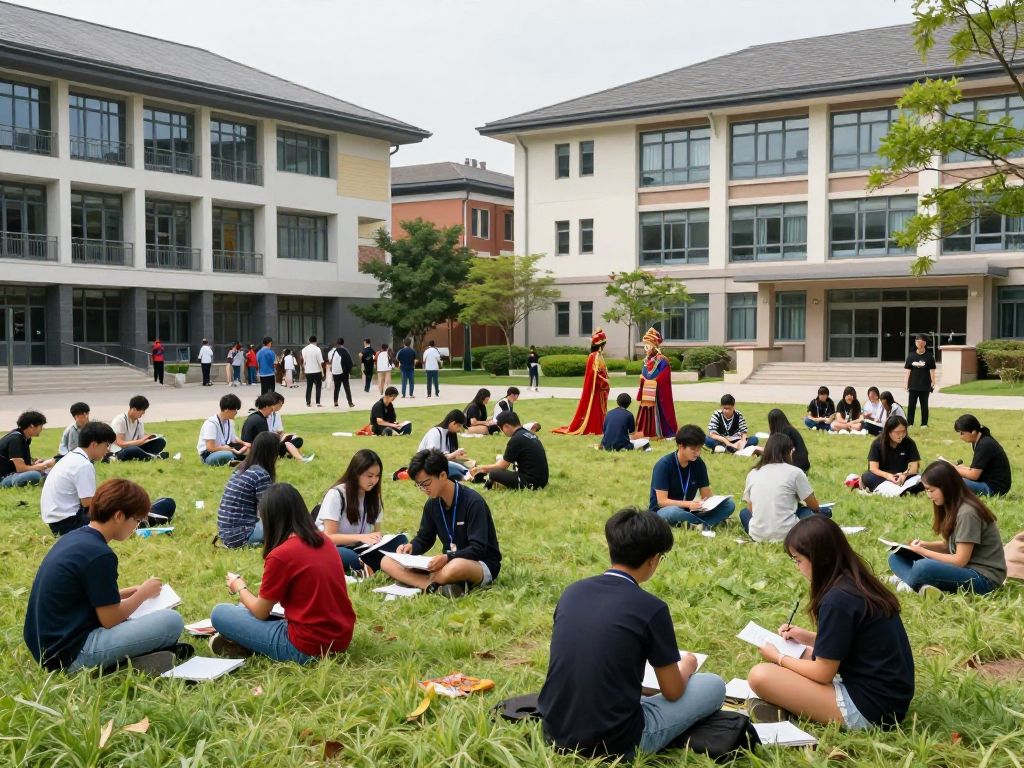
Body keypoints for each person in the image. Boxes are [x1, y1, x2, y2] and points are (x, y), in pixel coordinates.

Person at [539, 507, 726, 760]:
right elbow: (672, 691)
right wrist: (688, 665)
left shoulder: (573, 591)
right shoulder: (651, 608)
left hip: (554, 730)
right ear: (654, 560)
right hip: (616, 742)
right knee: (712, 685)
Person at [747, 516, 914, 729]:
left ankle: (788, 708)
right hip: (888, 700)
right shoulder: (856, 583)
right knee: (802, 651)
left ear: (819, 559)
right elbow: (852, 644)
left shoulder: (838, 599)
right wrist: (806, 637)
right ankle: (787, 707)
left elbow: (823, 673)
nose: (797, 567)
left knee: (760, 675)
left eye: (798, 560)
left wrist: (778, 658)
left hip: (871, 710)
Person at [24, 478, 187, 673]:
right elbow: (110, 619)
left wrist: (130, 592)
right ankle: (120, 666)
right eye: (136, 520)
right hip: (72, 654)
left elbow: (86, 595)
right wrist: (142, 594)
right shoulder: (99, 555)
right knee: (172, 621)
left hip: (47, 648)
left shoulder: (75, 538)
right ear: (119, 516)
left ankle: (139, 658)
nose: (136, 527)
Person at [209, 484, 356, 663]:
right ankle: (243, 644)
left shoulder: (281, 555)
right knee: (243, 609)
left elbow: (261, 612)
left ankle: (243, 644)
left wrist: (240, 587)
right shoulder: (324, 540)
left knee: (220, 613)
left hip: (304, 647)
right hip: (340, 640)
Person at [380, 449, 501, 598]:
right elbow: (425, 538)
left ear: (443, 475)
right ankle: (434, 586)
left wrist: (448, 558)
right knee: (387, 561)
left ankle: (419, 581)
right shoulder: (432, 505)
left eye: (426, 483)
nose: (423, 489)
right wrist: (411, 548)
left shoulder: (472, 502)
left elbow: (478, 549)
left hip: (478, 563)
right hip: (445, 563)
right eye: (419, 485)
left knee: (455, 567)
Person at [887, 461, 1007, 597]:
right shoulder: (952, 506)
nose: (928, 495)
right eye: (926, 490)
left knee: (923, 567)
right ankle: (914, 580)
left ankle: (909, 581)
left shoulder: (968, 512)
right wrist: (925, 545)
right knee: (895, 557)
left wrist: (922, 551)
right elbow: (951, 545)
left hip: (984, 578)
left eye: (931, 490)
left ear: (947, 487)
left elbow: (959, 560)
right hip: (965, 569)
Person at [314, 449, 408, 573]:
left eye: (377, 476)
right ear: (356, 473)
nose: (374, 481)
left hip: (361, 548)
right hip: (334, 548)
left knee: (401, 541)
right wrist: (362, 537)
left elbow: (376, 532)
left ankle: (367, 563)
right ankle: (370, 563)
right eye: (369, 476)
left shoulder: (374, 497)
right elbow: (329, 537)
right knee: (349, 557)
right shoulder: (336, 494)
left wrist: (379, 538)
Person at [740, 433, 826, 542]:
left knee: (744, 513)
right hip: (789, 533)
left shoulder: (753, 473)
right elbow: (813, 505)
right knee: (816, 513)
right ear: (788, 451)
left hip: (757, 535)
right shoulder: (795, 472)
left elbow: (751, 509)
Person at [648, 425, 736, 528]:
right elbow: (662, 502)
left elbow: (706, 495)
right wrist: (689, 504)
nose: (697, 453)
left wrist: (712, 503)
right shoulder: (664, 465)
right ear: (681, 446)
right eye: (693, 449)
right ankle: (704, 523)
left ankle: (695, 524)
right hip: (664, 511)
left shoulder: (698, 463)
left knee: (729, 505)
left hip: (690, 510)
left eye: (699, 449)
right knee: (673, 512)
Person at [42, 422, 115, 536]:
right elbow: (88, 503)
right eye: (106, 445)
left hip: (56, 521)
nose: (108, 450)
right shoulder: (84, 465)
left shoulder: (72, 456)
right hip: (69, 523)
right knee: (116, 516)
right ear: (94, 444)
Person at [216, 432, 278, 548]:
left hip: (225, 533)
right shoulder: (260, 474)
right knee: (288, 526)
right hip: (243, 535)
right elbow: (267, 511)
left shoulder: (240, 469)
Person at [472, 411, 549, 490]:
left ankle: (489, 483)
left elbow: (502, 466)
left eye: (501, 429)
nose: (502, 432)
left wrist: (480, 468)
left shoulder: (515, 439)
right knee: (504, 463)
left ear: (506, 426)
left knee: (493, 473)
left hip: (531, 483)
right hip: (543, 481)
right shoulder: (528, 434)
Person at [554, 329, 609, 436]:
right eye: (603, 344)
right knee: (595, 408)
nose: (604, 346)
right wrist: (604, 381)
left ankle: (600, 426)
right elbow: (594, 375)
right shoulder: (594, 356)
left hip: (601, 390)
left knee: (600, 409)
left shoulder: (598, 356)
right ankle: (595, 427)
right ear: (600, 345)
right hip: (597, 389)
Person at [950, 414, 1012, 496]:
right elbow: (976, 469)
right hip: (986, 481)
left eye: (962, 433)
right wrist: (958, 467)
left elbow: (973, 475)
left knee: (951, 480)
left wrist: (953, 469)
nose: (960, 436)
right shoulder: (979, 440)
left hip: (994, 488)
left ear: (973, 431)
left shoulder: (985, 444)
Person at [860, 415, 922, 494]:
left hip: (903, 477)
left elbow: (914, 467)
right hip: (883, 478)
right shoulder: (877, 443)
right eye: (897, 432)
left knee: (924, 478)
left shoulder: (910, 443)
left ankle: (896, 491)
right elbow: (873, 468)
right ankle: (901, 490)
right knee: (867, 476)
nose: (901, 435)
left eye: (904, 431)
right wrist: (888, 476)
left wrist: (904, 475)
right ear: (889, 431)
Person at [635, 328, 678, 439]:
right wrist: (643, 379)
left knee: (662, 410)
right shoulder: (646, 361)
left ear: (654, 346)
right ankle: (648, 430)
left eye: (648, 346)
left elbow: (664, 378)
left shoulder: (662, 361)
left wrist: (651, 381)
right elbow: (644, 374)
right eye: (645, 346)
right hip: (648, 393)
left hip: (659, 393)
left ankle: (666, 432)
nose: (646, 349)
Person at [197, 394, 249, 466]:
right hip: (209, 455)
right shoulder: (211, 424)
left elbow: (233, 438)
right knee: (230, 455)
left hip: (225, 448)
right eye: (235, 411)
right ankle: (241, 461)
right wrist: (227, 449)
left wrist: (244, 443)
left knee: (249, 449)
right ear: (227, 410)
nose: (236, 413)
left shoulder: (229, 422)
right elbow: (210, 448)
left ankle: (241, 461)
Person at [111, 395, 167, 461]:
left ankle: (147, 455)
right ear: (134, 409)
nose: (143, 413)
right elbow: (120, 443)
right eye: (142, 410)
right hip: (120, 451)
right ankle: (153, 456)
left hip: (136, 447)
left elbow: (141, 438)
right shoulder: (120, 420)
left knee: (160, 441)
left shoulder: (139, 422)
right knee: (134, 450)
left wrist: (149, 438)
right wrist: (140, 441)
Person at [418, 410, 472, 479]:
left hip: (441, 464)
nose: (459, 429)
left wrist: (457, 456)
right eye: (459, 426)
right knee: (448, 466)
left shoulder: (449, 434)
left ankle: (468, 472)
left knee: (468, 462)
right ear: (453, 423)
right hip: (427, 465)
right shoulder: (435, 433)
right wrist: (454, 454)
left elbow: (446, 456)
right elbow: (433, 458)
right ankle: (467, 473)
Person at [267, 392, 312, 462]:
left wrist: (285, 435)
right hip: (270, 443)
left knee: (297, 439)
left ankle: (297, 455)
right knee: (287, 443)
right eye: (280, 404)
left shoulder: (276, 415)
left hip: (277, 439)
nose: (281, 406)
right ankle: (301, 459)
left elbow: (280, 431)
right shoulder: (265, 416)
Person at [905, 334, 936, 428]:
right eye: (917, 341)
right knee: (911, 405)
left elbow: (932, 370)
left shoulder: (929, 356)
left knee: (924, 405)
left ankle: (924, 423)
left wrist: (933, 381)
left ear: (925, 343)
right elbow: (907, 371)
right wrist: (906, 383)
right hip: (913, 384)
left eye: (921, 341)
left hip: (925, 385)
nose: (919, 343)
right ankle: (910, 423)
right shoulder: (911, 356)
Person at [766, 408, 809, 473]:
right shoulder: (789, 429)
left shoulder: (784, 434)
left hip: (796, 465)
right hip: (803, 463)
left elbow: (776, 453)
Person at [328, 338, 355, 407]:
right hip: (344, 372)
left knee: (336, 388)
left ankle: (335, 402)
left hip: (335, 372)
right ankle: (350, 402)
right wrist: (348, 370)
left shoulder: (331, 352)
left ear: (336, 343)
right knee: (347, 387)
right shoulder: (346, 350)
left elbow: (330, 361)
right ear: (343, 343)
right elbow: (349, 362)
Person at [301, 335, 325, 407]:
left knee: (309, 386)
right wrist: (323, 372)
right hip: (317, 370)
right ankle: (318, 402)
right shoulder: (317, 349)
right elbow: (320, 361)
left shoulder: (304, 349)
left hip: (308, 371)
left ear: (309, 341)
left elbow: (304, 362)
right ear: (316, 341)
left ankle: (308, 402)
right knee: (318, 386)